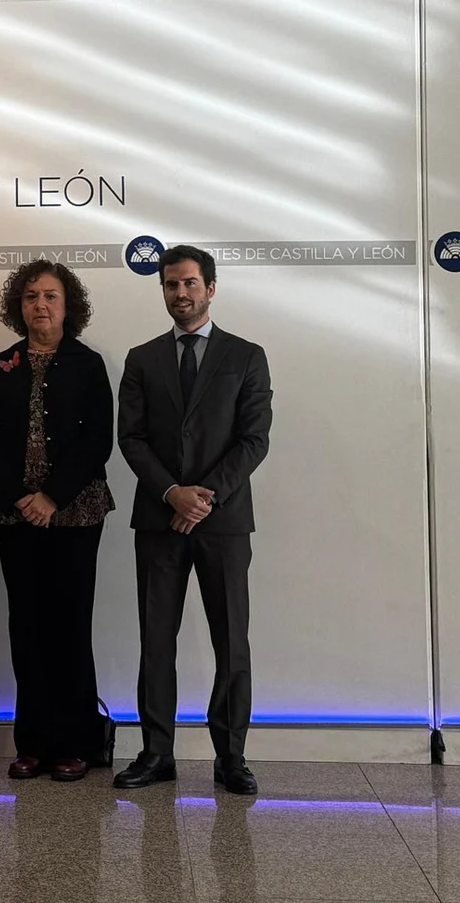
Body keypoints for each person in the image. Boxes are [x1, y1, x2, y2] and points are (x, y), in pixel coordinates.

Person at [112, 245, 272, 795]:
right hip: (158, 520)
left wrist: (202, 499)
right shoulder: (142, 358)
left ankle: (231, 756)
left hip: (223, 524)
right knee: (156, 639)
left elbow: (254, 440)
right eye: (170, 284)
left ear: (210, 287)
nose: (179, 293)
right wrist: (171, 493)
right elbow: (129, 438)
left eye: (189, 283)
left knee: (232, 640)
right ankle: (157, 753)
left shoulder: (247, 356)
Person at [0, 260, 115, 783]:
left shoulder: (89, 364)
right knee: (26, 626)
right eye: (30, 296)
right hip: (15, 515)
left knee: (70, 626)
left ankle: (75, 743)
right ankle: (32, 742)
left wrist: (51, 497)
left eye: (51, 296)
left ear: (67, 304)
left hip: (75, 512)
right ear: (18, 306)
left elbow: (99, 439)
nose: (40, 305)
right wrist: (19, 497)